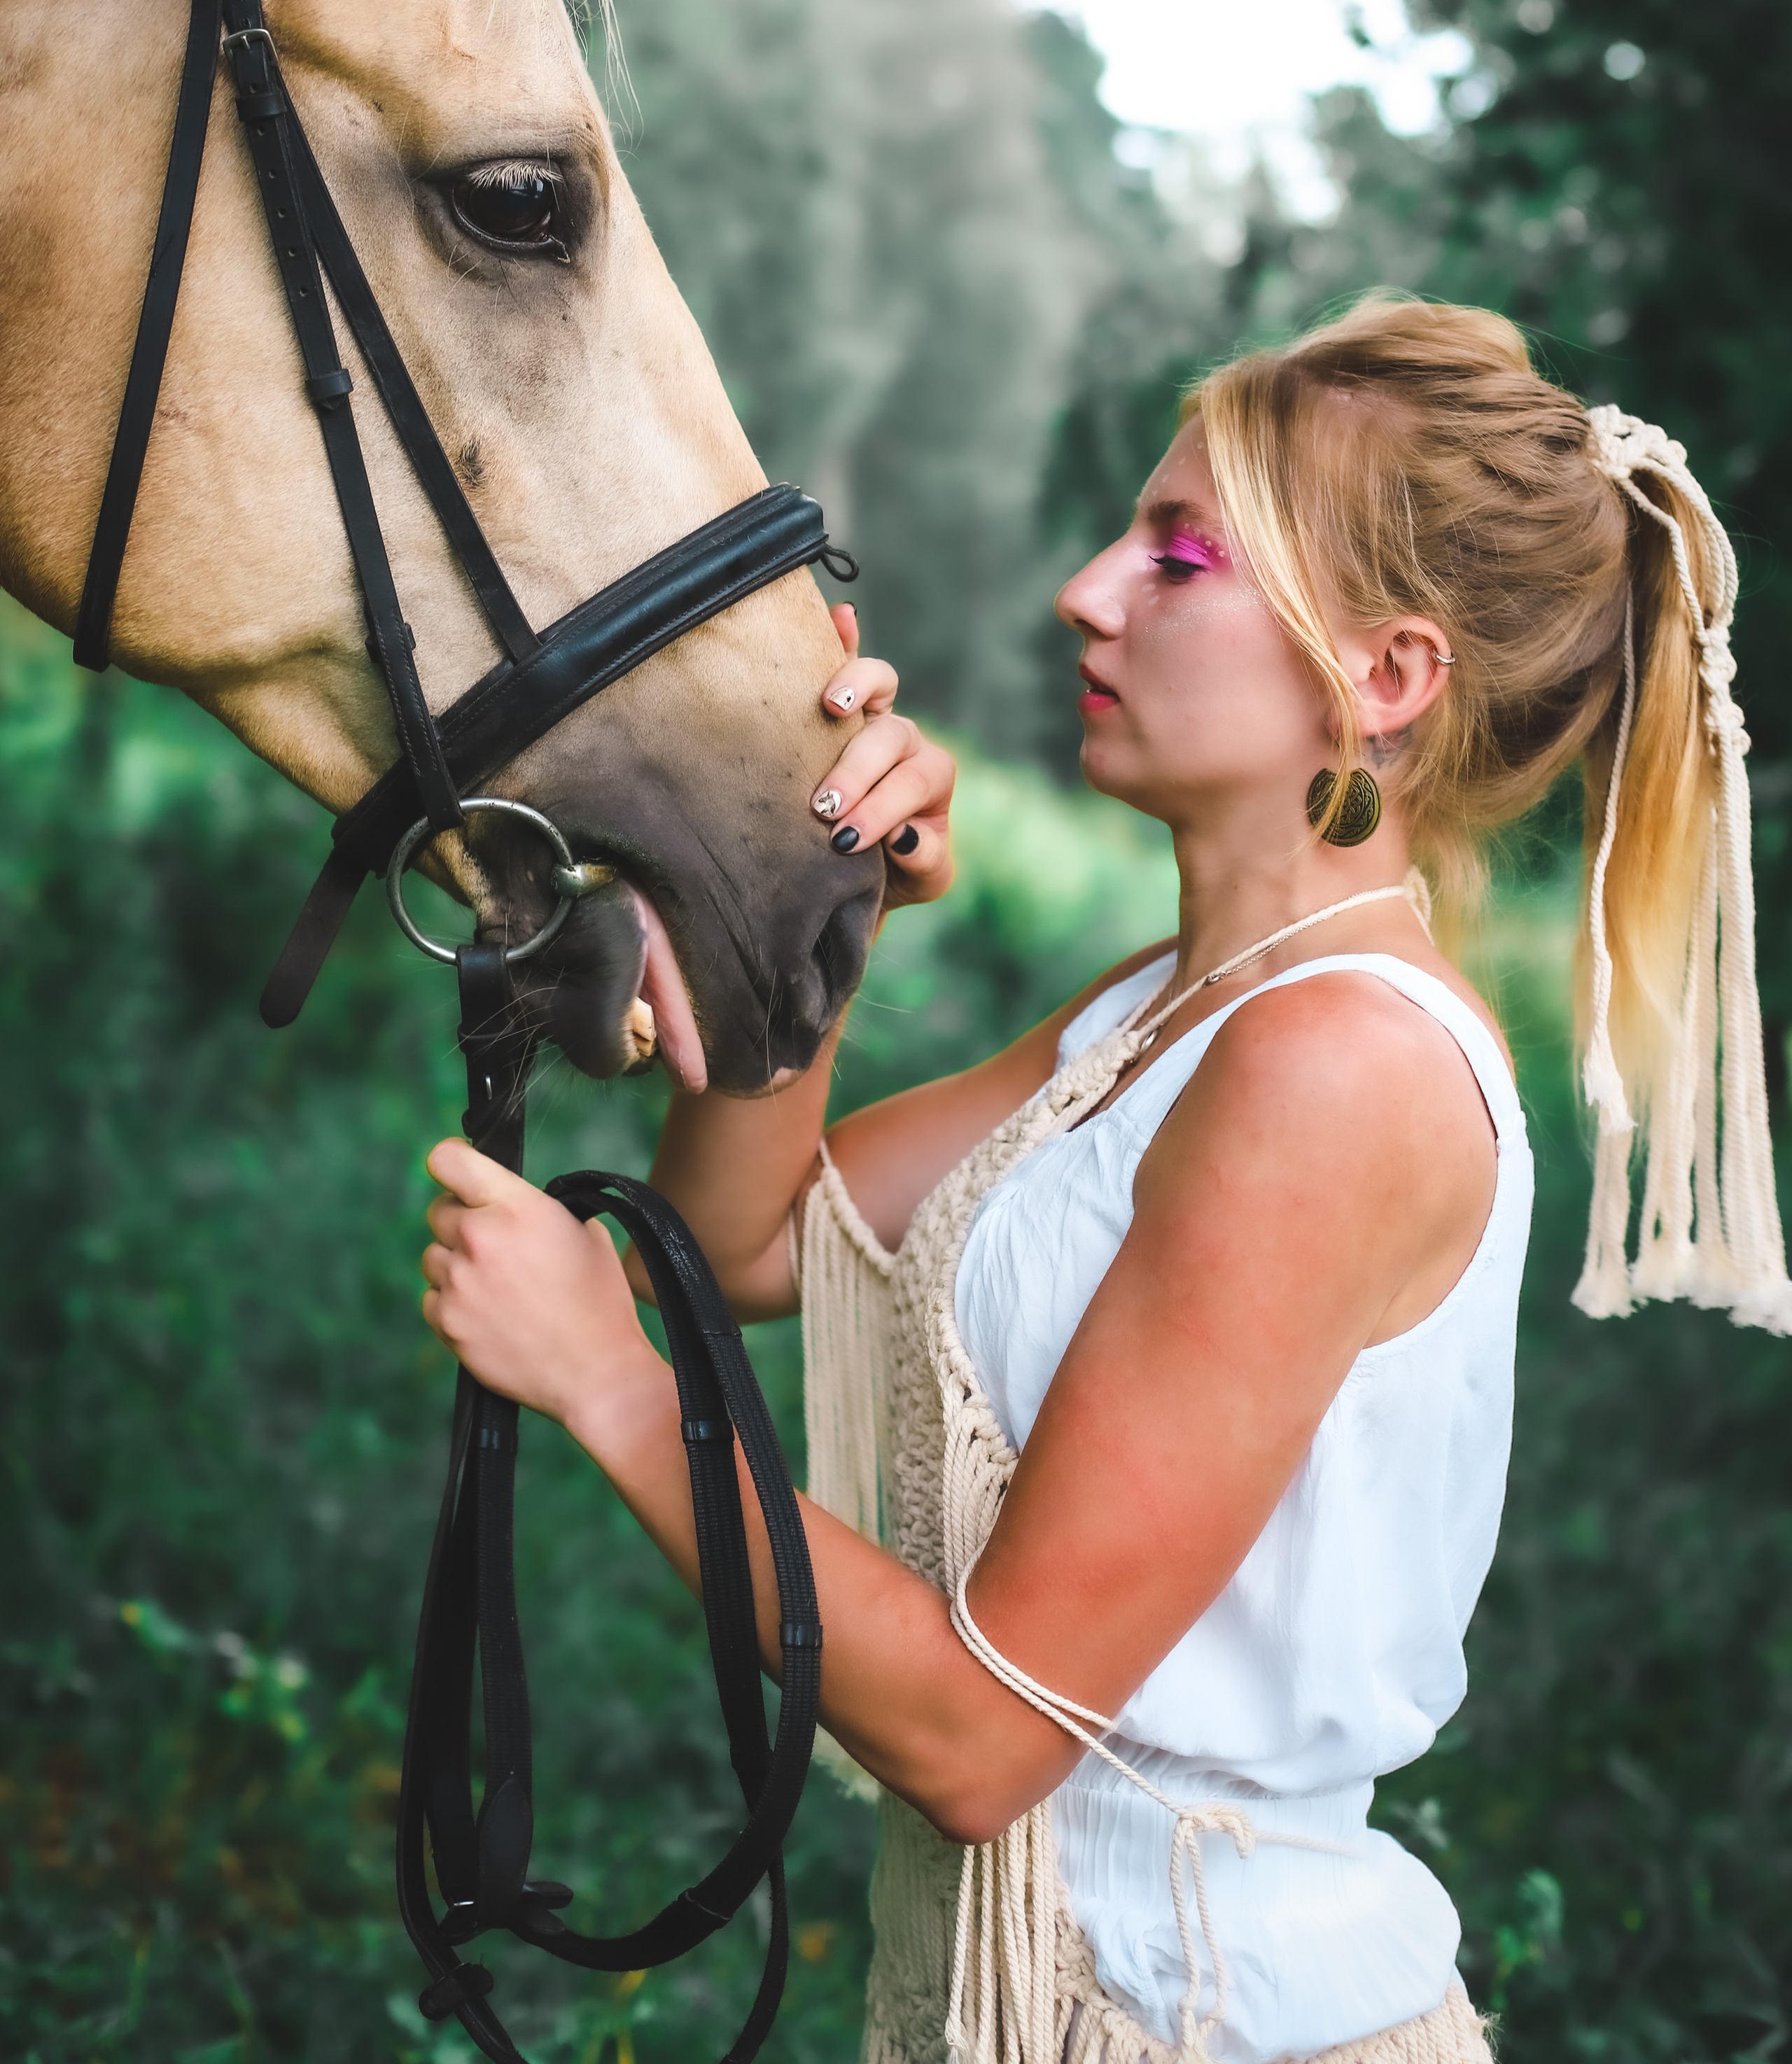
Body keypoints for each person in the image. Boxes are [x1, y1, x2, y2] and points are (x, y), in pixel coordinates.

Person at [420, 295, 1788, 2064]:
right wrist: (816, 904)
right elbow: (740, 1243)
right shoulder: (1171, 1010)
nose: (1086, 588)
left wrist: (613, 1383)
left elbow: (985, 1742)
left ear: (1380, 679)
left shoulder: (1334, 1069)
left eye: (1178, 555)